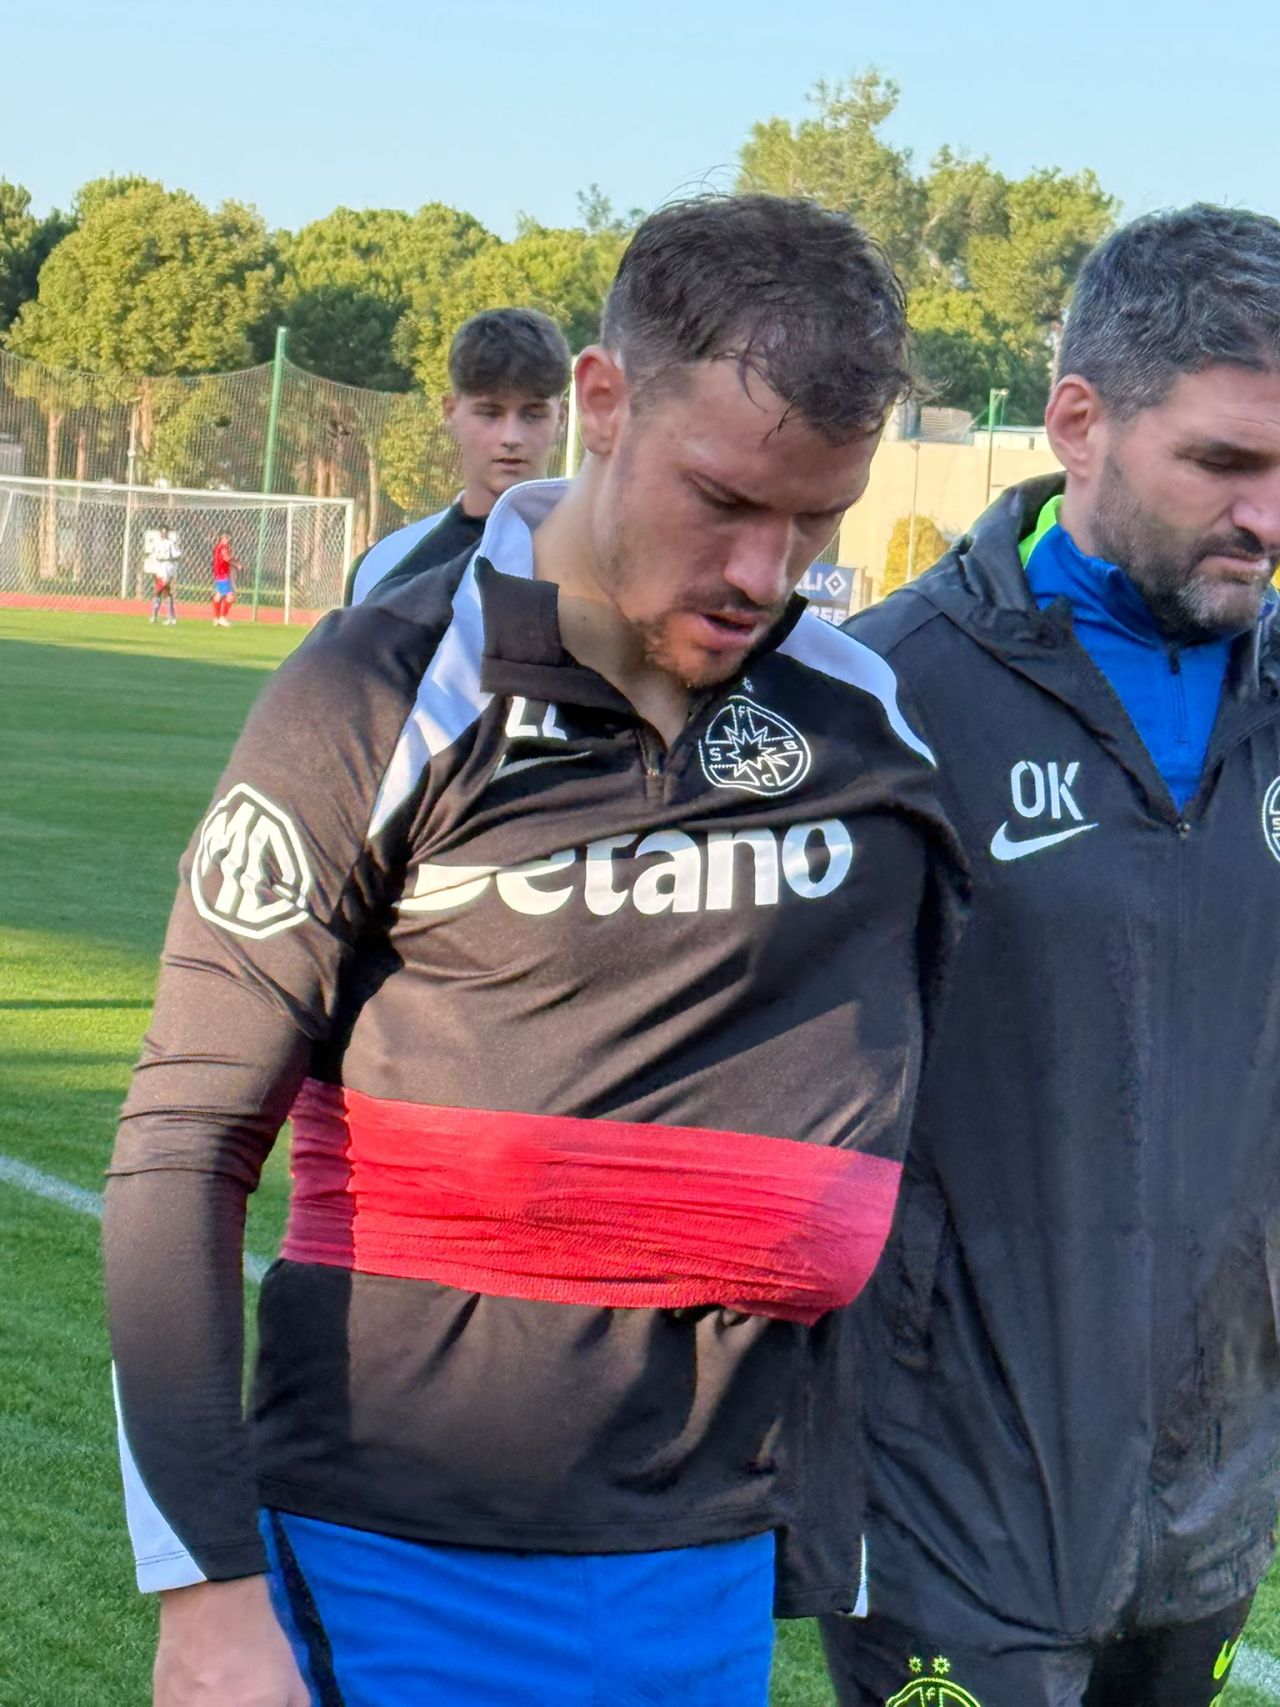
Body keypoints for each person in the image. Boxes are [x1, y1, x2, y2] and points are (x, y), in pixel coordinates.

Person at [103, 194, 964, 1707]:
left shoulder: (860, 729)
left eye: (815, 522)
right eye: (722, 500)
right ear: (603, 401)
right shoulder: (377, 694)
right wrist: (210, 1596)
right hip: (386, 1557)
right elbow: (183, 1137)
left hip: (706, 1567)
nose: (763, 573)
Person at [821, 205, 1280, 1707]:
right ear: (1079, 423)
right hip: (949, 1495)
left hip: (1214, 1490)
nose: (1268, 516)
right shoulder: (885, 694)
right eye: (1224, 463)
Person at [344, 307, 570, 605]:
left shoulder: (602, 562)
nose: (511, 437)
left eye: (533, 415)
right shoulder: (384, 568)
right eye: (490, 413)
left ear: (561, 419)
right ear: (450, 412)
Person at [149, 527, 179, 625]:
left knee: (160, 590)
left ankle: (165, 617)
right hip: (158, 567)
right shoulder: (156, 543)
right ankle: (168, 617)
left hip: (166, 567)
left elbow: (177, 555)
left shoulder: (171, 543)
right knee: (164, 591)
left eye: (165, 532)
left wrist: (170, 561)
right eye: (162, 532)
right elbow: (153, 555)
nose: (163, 534)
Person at [212, 532, 238, 626]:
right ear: (221, 538)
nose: (227, 539)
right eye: (225, 537)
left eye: (228, 537)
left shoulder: (217, 547)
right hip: (223, 575)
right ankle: (223, 617)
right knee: (231, 597)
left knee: (218, 596)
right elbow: (226, 558)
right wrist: (237, 564)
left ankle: (216, 618)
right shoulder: (224, 548)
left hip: (219, 574)